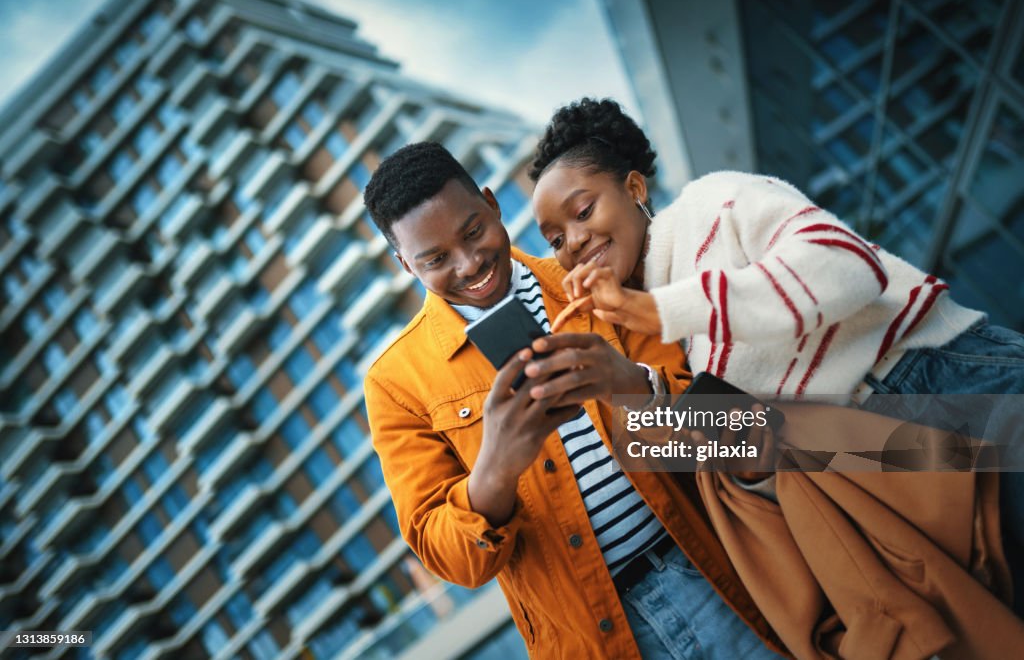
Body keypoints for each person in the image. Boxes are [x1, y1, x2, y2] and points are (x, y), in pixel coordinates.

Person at [528, 96, 1024, 614]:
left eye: (583, 211)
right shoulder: (667, 332)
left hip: (936, 379)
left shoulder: (709, 204)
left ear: (633, 188)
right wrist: (629, 389)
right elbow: (769, 446)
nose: (575, 240)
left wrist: (654, 310)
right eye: (556, 239)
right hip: (890, 456)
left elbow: (849, 266)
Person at [361, 141, 786, 658]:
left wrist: (631, 386)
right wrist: (493, 470)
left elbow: (737, 439)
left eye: (474, 231)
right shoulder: (396, 383)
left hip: (717, 576)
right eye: (435, 259)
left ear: (493, 204)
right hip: (595, 639)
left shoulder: (595, 279)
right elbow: (452, 561)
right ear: (406, 265)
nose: (470, 264)